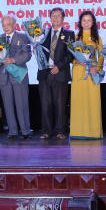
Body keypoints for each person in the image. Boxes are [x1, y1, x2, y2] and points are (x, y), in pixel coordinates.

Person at [37, 7, 74, 139]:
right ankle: (46, 131)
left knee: (60, 104)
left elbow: (71, 55)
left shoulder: (69, 34)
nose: (55, 18)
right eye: (53, 15)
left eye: (58, 15)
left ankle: (60, 131)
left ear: (63, 18)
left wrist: (59, 66)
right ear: (50, 18)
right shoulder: (43, 33)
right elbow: (38, 51)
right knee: (45, 104)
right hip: (44, 73)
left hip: (60, 73)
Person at [0, 15, 32, 139]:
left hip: (19, 75)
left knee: (22, 104)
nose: (6, 27)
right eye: (3, 25)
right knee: (7, 105)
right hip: (4, 76)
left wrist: (13, 59)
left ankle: (25, 131)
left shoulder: (23, 37)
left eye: (8, 24)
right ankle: (12, 131)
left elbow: (27, 55)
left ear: (14, 24)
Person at [70, 10, 104, 139]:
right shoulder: (75, 37)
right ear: (80, 23)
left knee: (92, 102)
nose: (86, 23)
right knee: (79, 102)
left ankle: (93, 132)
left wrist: (97, 68)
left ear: (93, 22)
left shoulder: (97, 38)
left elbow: (101, 56)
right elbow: (69, 55)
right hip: (78, 71)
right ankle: (78, 132)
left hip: (92, 72)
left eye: (89, 20)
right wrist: (75, 61)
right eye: (84, 20)